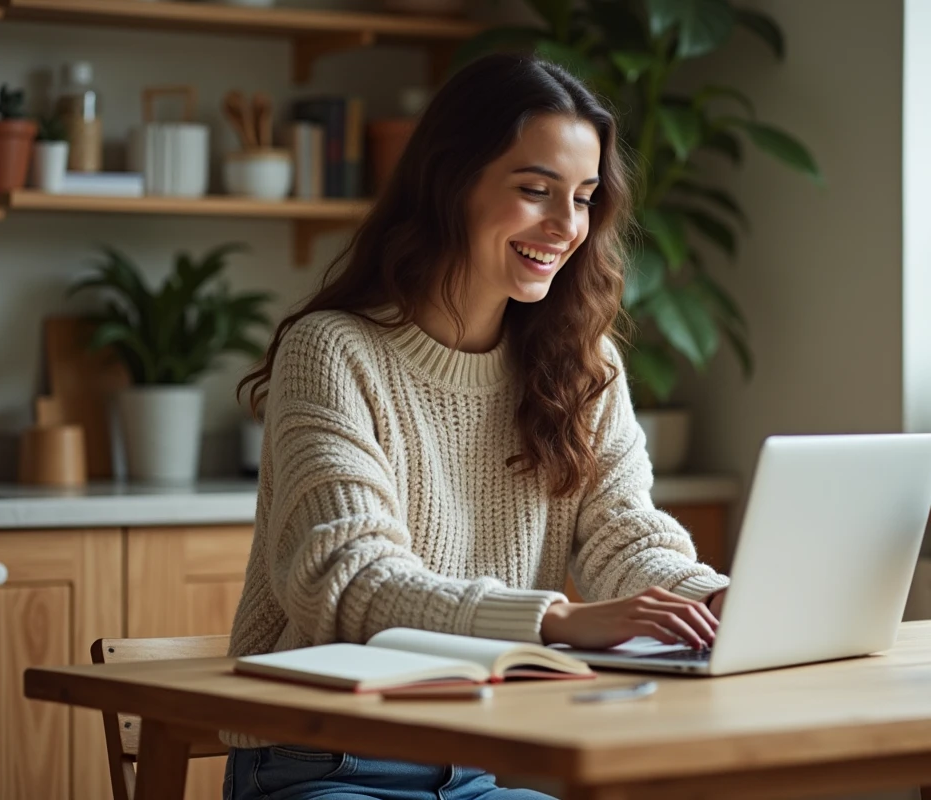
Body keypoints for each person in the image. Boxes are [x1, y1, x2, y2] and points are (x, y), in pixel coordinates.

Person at [225, 52, 730, 800]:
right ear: (450, 182)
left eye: (584, 198)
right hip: (325, 762)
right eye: (535, 190)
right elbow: (350, 583)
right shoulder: (333, 351)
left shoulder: (584, 365)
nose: (567, 226)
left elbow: (626, 537)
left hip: (475, 766)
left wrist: (712, 603)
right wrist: (556, 622)